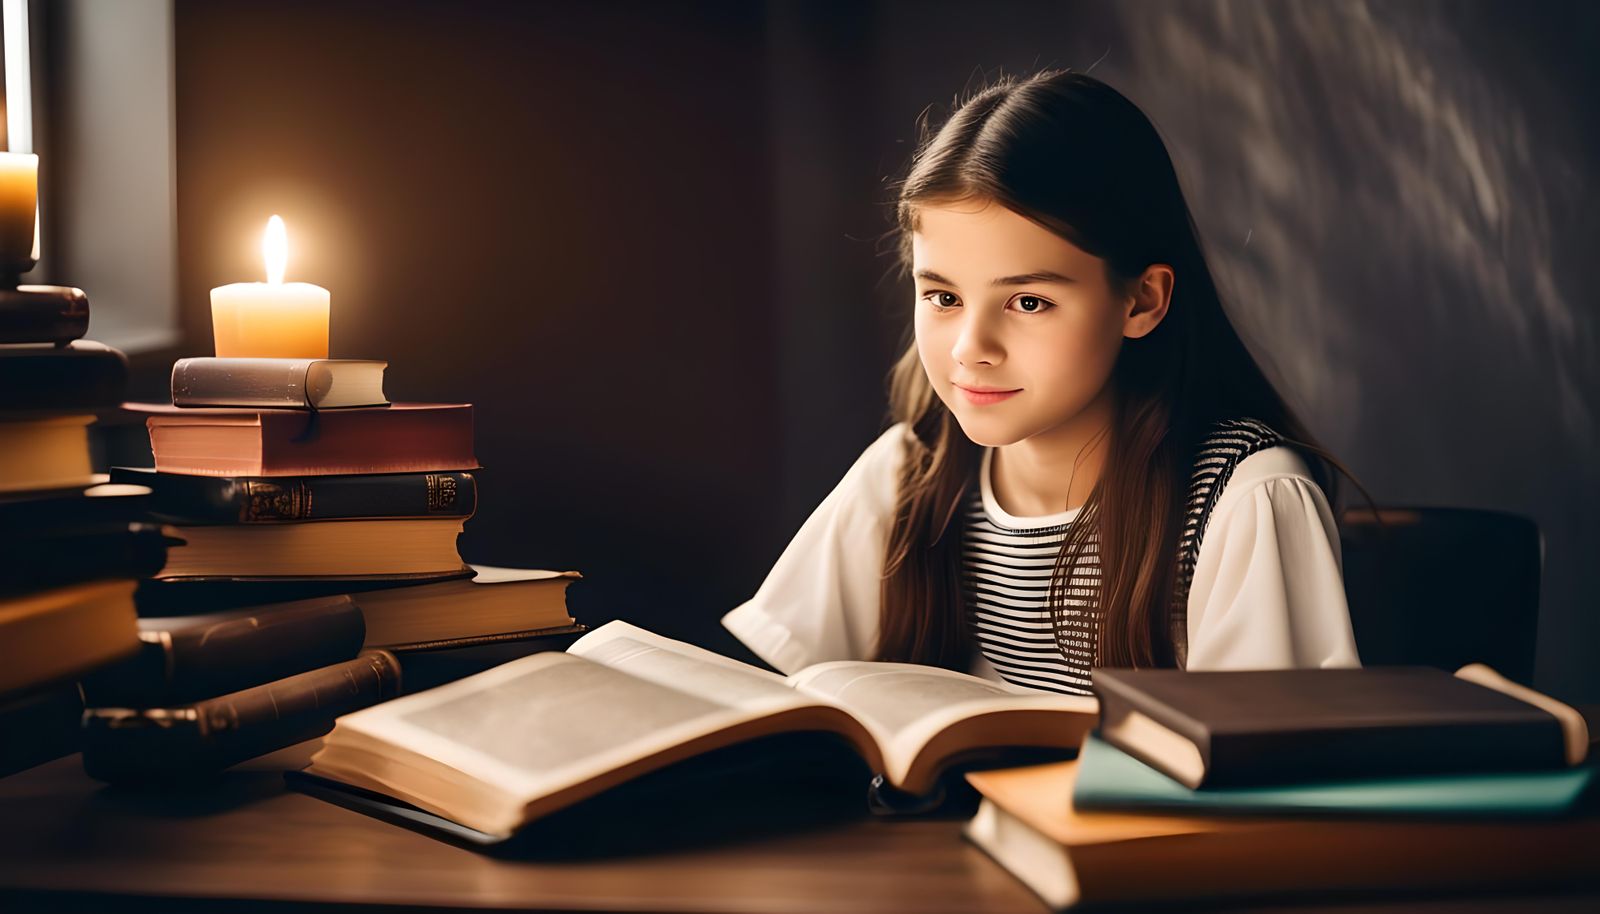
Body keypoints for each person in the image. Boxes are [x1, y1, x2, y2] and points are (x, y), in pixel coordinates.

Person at [723, 69, 1363, 695]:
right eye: (943, 297)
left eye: (1029, 302)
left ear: (1142, 301)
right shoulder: (908, 474)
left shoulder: (1242, 499)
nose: (972, 349)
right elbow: (780, 704)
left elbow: (1269, 771)